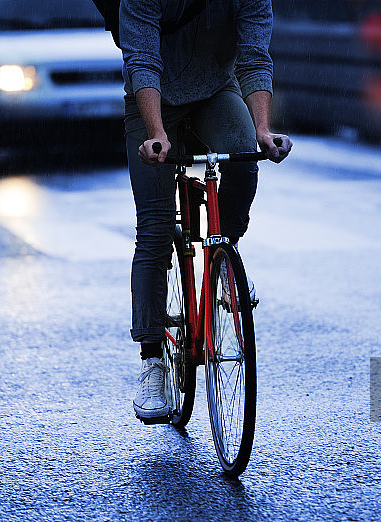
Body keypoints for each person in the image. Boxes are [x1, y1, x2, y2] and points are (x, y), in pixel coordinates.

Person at [119, 0, 292, 421]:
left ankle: (223, 258)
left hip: (216, 90)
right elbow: (141, 59)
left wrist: (264, 129)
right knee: (156, 230)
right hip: (153, 97)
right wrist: (157, 133)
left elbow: (254, 57)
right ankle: (152, 362)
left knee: (244, 153)